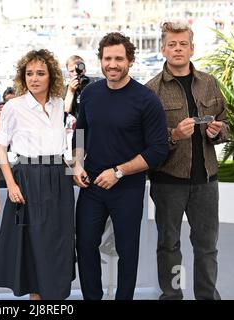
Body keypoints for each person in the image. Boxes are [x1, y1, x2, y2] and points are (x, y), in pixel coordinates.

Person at [72, 32, 169, 300]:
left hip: (127, 186)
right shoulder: (90, 93)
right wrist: (77, 165)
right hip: (91, 185)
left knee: (127, 250)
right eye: (107, 58)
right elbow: (80, 132)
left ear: (130, 61)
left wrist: (118, 172)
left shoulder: (146, 99)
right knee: (86, 245)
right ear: (100, 60)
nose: (112, 64)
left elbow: (158, 150)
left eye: (118, 59)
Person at [146, 22, 229, 300]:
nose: (178, 49)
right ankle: (173, 296)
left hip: (206, 181)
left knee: (207, 247)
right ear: (163, 49)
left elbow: (226, 124)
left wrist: (218, 131)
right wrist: (174, 135)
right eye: (172, 44)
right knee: (169, 246)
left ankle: (207, 296)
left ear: (192, 48)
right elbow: (147, 142)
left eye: (183, 44)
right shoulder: (151, 91)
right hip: (167, 182)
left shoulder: (209, 83)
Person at [0, 49, 76, 300]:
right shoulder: (14, 107)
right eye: (29, 74)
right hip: (28, 178)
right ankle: (36, 300)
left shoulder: (59, 104)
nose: (34, 78)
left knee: (59, 242)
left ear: (51, 77)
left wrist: (76, 167)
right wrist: (11, 183)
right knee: (34, 244)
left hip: (59, 178)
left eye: (40, 73)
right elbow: (0, 146)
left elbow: (67, 142)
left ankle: (55, 299)